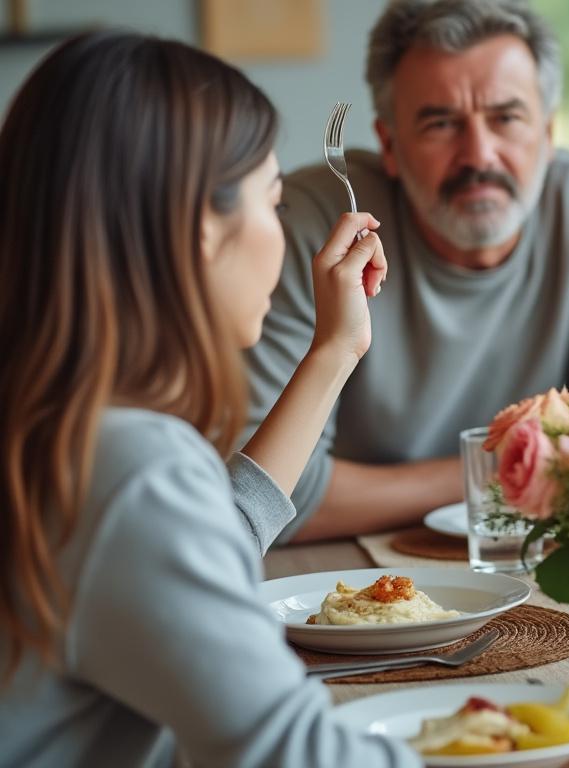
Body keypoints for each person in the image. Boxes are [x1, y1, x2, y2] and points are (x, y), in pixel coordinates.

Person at [0, 33, 419, 765]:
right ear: (199, 226)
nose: (286, 234)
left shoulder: (55, 428)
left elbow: (186, 544)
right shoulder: (131, 466)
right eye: (274, 201)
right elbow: (295, 754)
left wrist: (334, 351)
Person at [245, 0, 569, 542]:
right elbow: (269, 495)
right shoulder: (317, 222)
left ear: (547, 134)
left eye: (506, 117)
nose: (479, 155)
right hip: (340, 577)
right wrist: (500, 470)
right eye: (440, 123)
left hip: (544, 555)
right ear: (390, 146)